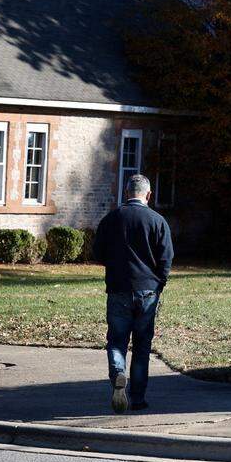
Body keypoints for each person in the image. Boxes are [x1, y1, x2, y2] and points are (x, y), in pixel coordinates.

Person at [93, 174, 174, 413]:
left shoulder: (111, 219)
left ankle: (118, 373)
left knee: (117, 341)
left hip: (119, 288)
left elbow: (98, 253)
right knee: (141, 346)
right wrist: (160, 282)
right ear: (148, 195)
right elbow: (166, 258)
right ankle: (138, 398)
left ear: (126, 193)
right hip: (147, 289)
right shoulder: (158, 221)